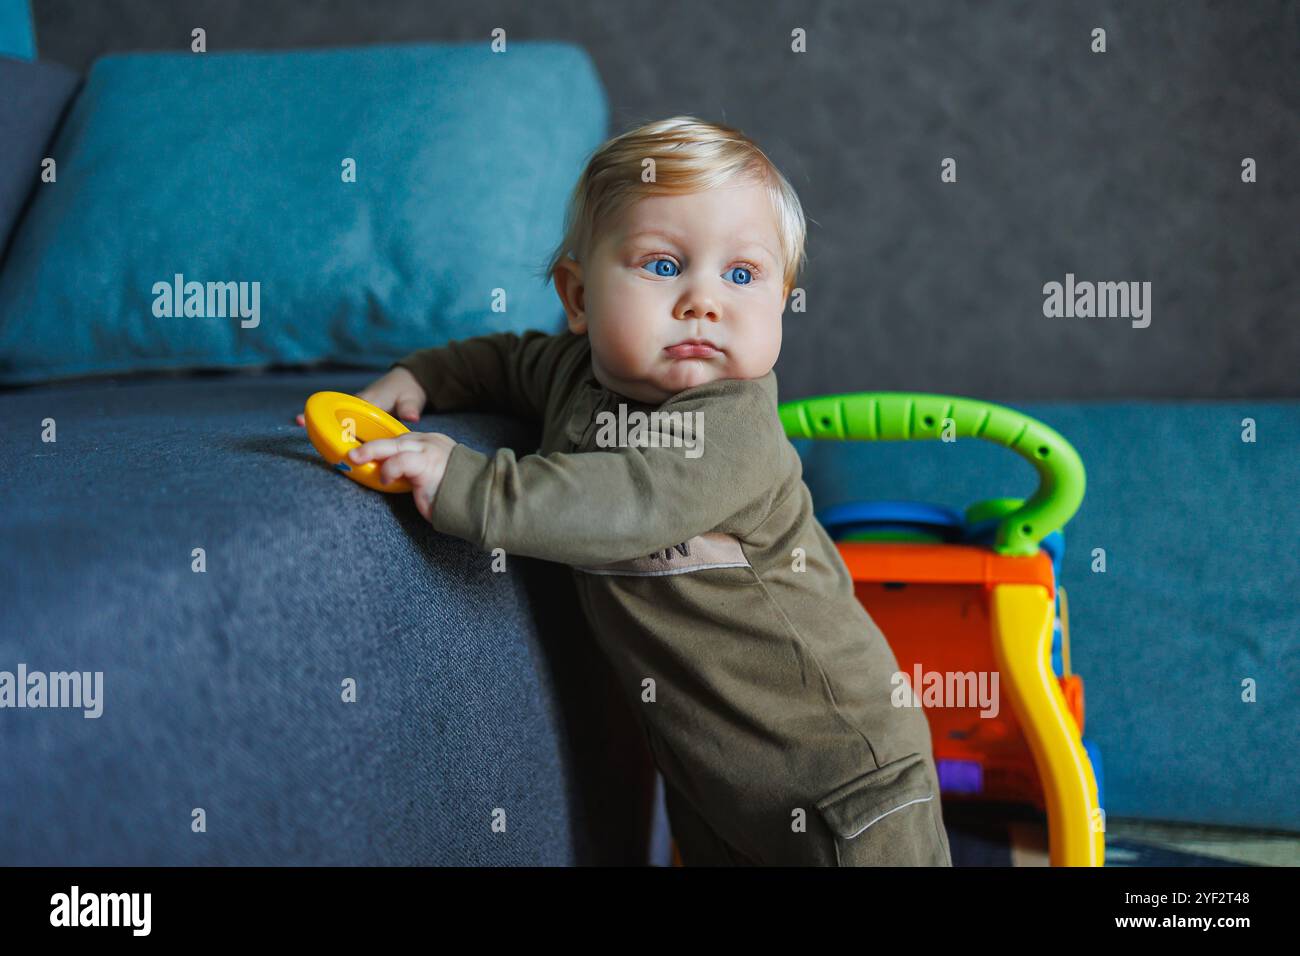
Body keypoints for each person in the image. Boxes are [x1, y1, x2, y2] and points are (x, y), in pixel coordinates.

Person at [297, 116, 952, 866]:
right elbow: (505, 360)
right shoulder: (573, 373)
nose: (703, 301)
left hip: (840, 777)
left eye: (742, 275)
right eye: (663, 265)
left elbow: (617, 500)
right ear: (577, 297)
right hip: (713, 776)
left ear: (781, 303)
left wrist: (463, 478)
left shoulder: (731, 428)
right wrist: (423, 377)